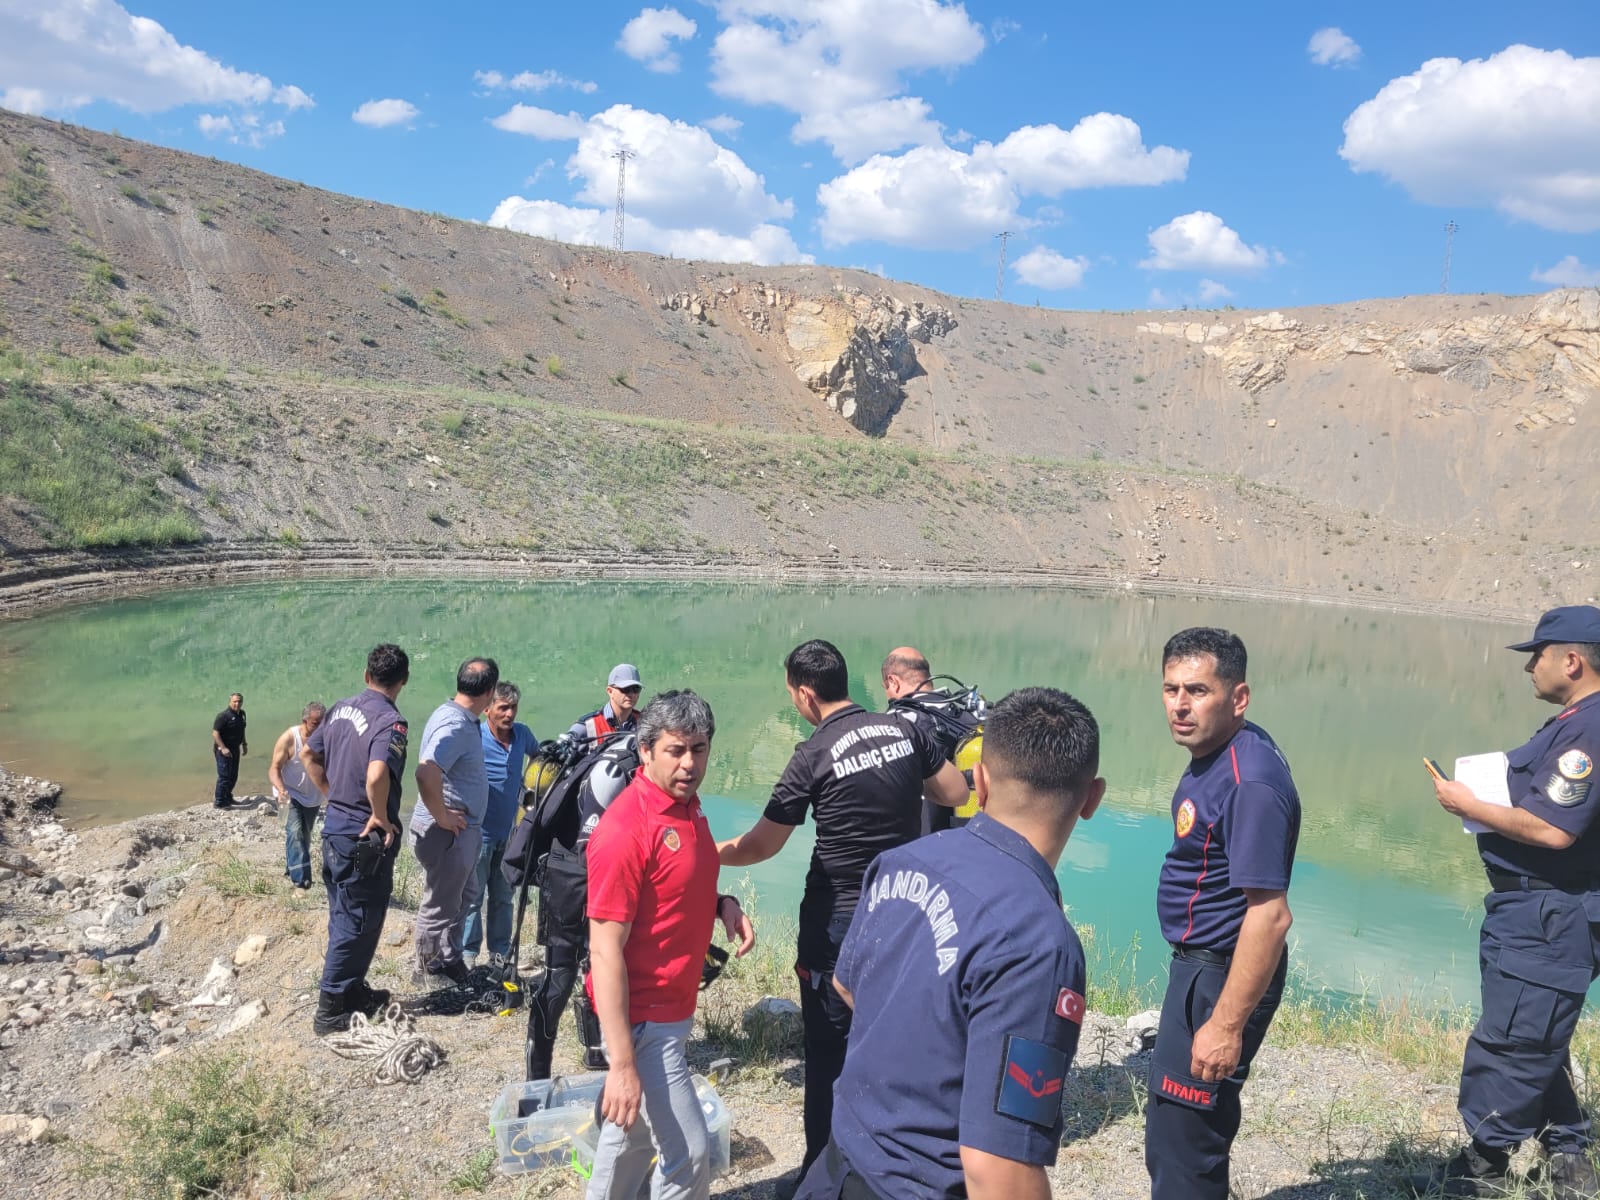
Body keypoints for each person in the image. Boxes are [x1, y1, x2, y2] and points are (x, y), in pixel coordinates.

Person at [795, 686, 1106, 1200]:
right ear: (1091, 799)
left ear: (979, 781)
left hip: (836, 1166)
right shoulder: (1039, 943)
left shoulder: (900, 862)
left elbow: (849, 988)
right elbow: (997, 1169)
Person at [718, 639, 967, 1181]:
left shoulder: (813, 754)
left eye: (792, 695)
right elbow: (953, 790)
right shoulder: (905, 730)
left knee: (829, 1051)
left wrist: (710, 853)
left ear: (805, 694)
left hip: (837, 924)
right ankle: (887, 1167)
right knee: (891, 1039)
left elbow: (764, 845)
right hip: (904, 916)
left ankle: (821, 1172)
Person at [1409, 606, 1600, 1200]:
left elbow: (1554, 830)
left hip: (1550, 914)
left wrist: (1466, 804)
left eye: (1536, 656)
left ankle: (1481, 1168)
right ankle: (1569, 1149)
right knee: (1538, 1029)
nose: (1530, 669)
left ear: (1571, 660)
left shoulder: (1589, 730)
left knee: (1514, 1038)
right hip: (1537, 911)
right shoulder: (1577, 721)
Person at [1145, 627, 1300, 1200]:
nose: (1181, 705)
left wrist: (1226, 1024)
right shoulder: (1218, 753)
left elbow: (1270, 917)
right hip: (1202, 969)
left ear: (1239, 698)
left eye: (1198, 691)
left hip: (1221, 973)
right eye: (1171, 689)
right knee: (1180, 1131)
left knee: (1184, 1141)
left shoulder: (1249, 782)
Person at [585, 690, 754, 1200]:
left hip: (670, 1010)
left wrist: (720, 902)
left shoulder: (687, 808)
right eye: (675, 751)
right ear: (645, 751)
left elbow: (677, 883)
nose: (689, 764)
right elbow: (604, 950)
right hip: (643, 1018)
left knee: (631, 1140)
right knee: (689, 1154)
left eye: (698, 750)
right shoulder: (626, 829)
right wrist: (621, 1064)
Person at [300, 644, 410, 1037]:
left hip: (335, 830)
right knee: (359, 921)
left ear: (366, 676)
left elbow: (308, 755)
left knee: (344, 914)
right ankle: (330, 1009)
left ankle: (351, 990)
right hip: (362, 837)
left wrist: (332, 793)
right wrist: (378, 814)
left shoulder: (341, 707)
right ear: (404, 681)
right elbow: (378, 774)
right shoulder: (391, 721)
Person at [526, 726, 639, 1080]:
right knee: (561, 976)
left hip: (599, 870)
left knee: (602, 965)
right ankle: (537, 1075)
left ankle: (598, 1052)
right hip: (571, 873)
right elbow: (590, 847)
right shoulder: (615, 769)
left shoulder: (649, 766)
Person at [410, 656, 498, 986]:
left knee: (464, 894)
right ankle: (429, 970)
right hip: (447, 832)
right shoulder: (456, 725)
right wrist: (442, 816)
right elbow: (425, 771)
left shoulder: (453, 714)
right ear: (490, 692)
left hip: (456, 831)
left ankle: (449, 959)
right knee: (441, 902)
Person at [463, 681, 539, 973]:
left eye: (513, 707)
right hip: (477, 832)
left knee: (503, 896)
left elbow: (538, 759)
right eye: (503, 707)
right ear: (487, 710)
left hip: (509, 833)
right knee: (472, 897)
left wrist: (530, 794)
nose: (510, 714)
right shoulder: (475, 737)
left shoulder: (523, 734)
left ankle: (499, 953)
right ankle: (468, 955)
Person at [882, 646, 982, 835]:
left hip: (927, 845)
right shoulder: (969, 713)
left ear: (893, 682)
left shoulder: (899, 725)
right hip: (978, 838)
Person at [269, 701, 326, 888]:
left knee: (305, 834)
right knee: (295, 832)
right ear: (305, 720)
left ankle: (291, 867)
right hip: (290, 793)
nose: (319, 727)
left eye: (322, 723)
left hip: (313, 796)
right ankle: (302, 882)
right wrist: (280, 788)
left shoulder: (326, 738)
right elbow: (274, 768)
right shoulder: (290, 738)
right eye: (315, 723)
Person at [568, 664, 643, 746]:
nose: (631, 694)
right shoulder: (588, 726)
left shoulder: (644, 722)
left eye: (636, 689)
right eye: (625, 689)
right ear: (610, 691)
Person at [211, 692, 248, 808]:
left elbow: (242, 730)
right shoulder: (223, 716)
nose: (237, 704)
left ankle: (228, 797)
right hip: (223, 750)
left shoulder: (242, 714)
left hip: (235, 748)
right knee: (224, 776)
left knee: (233, 775)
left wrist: (244, 744)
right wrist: (223, 748)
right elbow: (215, 733)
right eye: (235, 701)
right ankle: (219, 802)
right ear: (230, 701)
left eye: (239, 701)